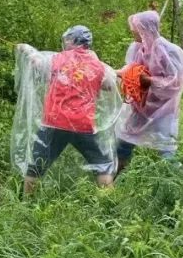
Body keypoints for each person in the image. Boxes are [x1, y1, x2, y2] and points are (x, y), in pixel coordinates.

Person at [23, 26, 120, 193]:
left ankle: (27, 201)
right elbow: (110, 86)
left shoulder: (55, 59)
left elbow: (36, 63)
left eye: (67, 39)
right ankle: (109, 201)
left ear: (73, 40)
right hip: (83, 123)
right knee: (101, 164)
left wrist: (26, 50)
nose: (65, 42)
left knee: (36, 164)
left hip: (55, 121)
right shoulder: (99, 66)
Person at [114, 10, 183, 176]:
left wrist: (148, 81)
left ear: (145, 30)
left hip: (163, 109)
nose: (133, 33)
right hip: (140, 106)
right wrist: (112, 72)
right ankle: (114, 177)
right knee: (125, 141)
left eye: (135, 30)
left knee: (166, 148)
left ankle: (176, 180)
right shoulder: (137, 48)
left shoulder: (168, 51)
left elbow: (175, 81)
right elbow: (131, 69)